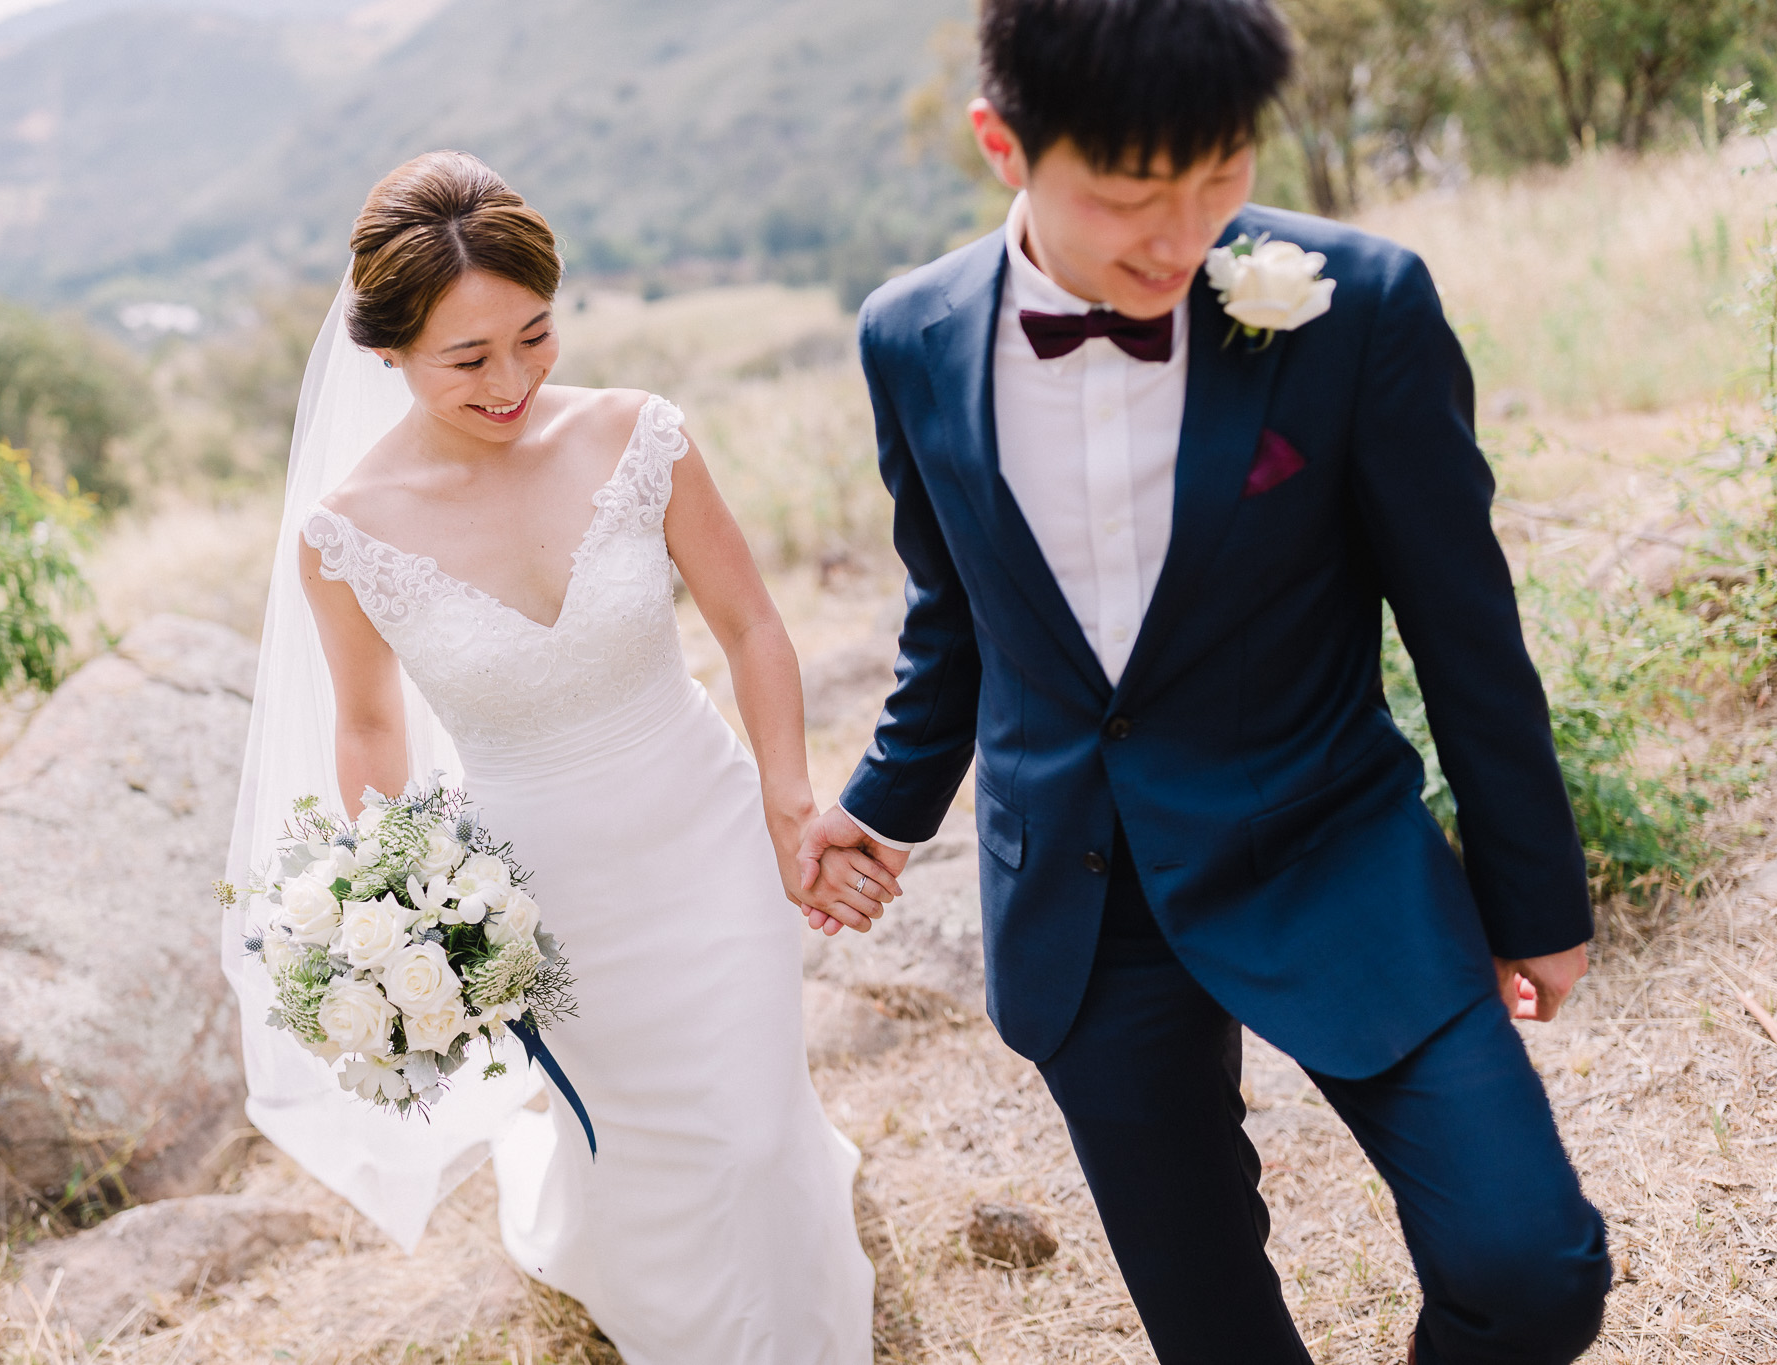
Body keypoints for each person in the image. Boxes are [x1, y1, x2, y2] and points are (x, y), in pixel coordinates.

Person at [795, 1, 1614, 1360]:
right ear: (1005, 145)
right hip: (1084, 892)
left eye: (1219, 176)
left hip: (1329, 843)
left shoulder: (1358, 309)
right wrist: (880, 806)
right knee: (1217, 1332)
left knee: (1533, 1265)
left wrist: (1536, 894)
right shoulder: (909, 336)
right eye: (1129, 195)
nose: (1183, 239)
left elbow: (1464, 622)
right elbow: (957, 615)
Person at [225, 151, 877, 1363]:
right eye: (467, 359)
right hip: (540, 894)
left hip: (707, 828)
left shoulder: (638, 437)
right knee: (634, 1135)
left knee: (748, 1130)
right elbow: (369, 726)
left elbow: (750, 625)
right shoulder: (347, 535)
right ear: (388, 357)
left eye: (534, 335)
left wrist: (791, 801)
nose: (512, 379)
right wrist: (405, 907)